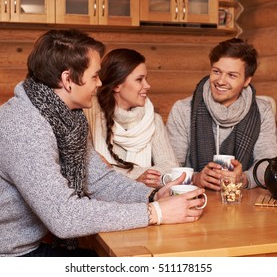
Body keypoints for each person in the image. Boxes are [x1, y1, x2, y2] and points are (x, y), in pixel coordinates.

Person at [0, 29, 206, 257]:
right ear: (68, 80)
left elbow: (99, 179)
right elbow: (65, 216)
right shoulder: (23, 125)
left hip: (28, 248)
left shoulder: (69, 119)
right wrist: (154, 213)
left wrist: (151, 196)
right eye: (95, 76)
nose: (100, 83)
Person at [166, 38, 277, 191]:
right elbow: (170, 166)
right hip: (194, 200)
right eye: (217, 71)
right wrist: (196, 178)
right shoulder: (183, 109)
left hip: (243, 203)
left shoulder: (262, 110)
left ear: (246, 80)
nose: (221, 81)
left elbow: (267, 164)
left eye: (232, 75)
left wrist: (244, 179)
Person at [84, 48, 179, 189]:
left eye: (146, 79)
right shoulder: (89, 116)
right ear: (117, 85)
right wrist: (135, 178)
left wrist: (117, 172)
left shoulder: (153, 120)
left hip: (143, 204)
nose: (147, 85)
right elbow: (88, 171)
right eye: (139, 80)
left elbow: (171, 167)